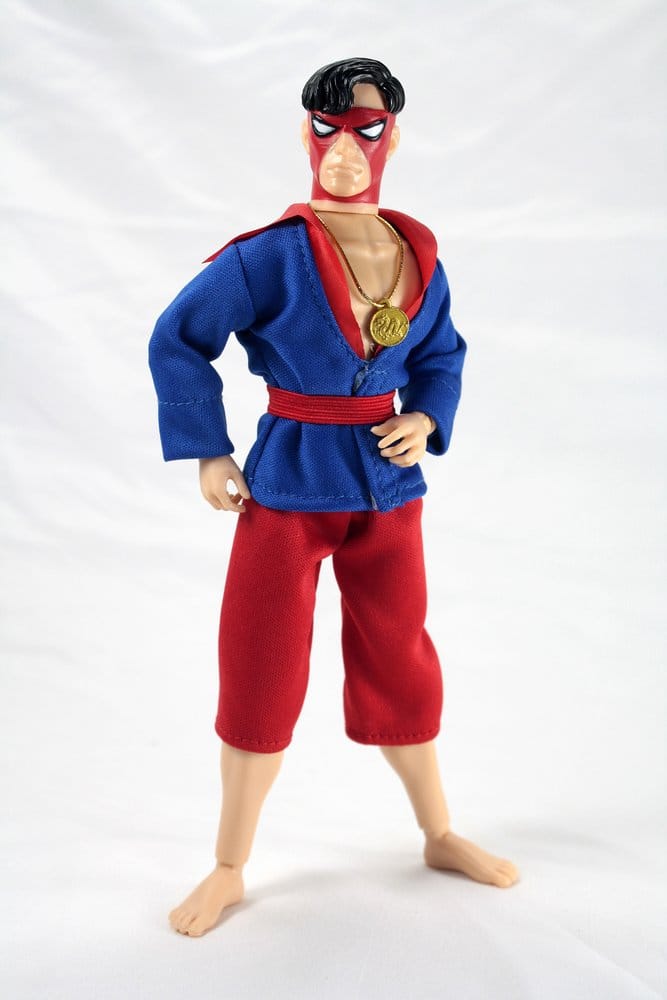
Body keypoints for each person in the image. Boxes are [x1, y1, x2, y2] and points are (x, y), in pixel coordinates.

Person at [149, 57, 519, 938]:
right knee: (260, 653)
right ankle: (229, 864)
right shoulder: (266, 256)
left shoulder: (417, 254)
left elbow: (442, 354)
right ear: (304, 134)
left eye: (365, 131)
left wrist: (425, 417)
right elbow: (178, 337)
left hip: (386, 484)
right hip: (287, 479)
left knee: (401, 651)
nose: (344, 150)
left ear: (394, 137)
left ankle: (436, 831)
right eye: (327, 130)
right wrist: (207, 448)